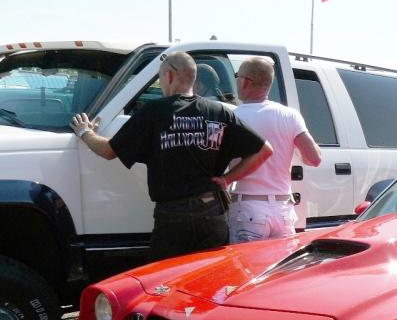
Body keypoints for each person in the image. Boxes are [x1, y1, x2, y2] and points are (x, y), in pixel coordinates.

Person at [70, 52, 272, 262]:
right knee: (209, 280)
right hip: (213, 210)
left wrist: (86, 133)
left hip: (173, 214)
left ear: (168, 76)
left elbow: (109, 151)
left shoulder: (154, 112)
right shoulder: (219, 112)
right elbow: (264, 150)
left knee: (166, 280)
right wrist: (229, 178)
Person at [227, 56, 322, 242]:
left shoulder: (232, 117)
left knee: (248, 270)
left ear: (245, 81)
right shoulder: (290, 115)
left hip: (248, 208)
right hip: (283, 210)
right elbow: (314, 158)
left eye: (237, 76)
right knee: (280, 269)